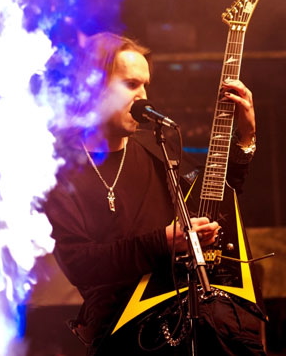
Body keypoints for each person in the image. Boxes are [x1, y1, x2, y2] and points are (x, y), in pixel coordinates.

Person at [42, 32, 265, 355]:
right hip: (122, 331)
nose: (143, 97)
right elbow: (79, 263)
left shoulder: (157, 146)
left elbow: (214, 199)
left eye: (145, 85)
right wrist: (163, 242)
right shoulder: (59, 171)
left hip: (181, 317)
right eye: (131, 84)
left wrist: (246, 136)